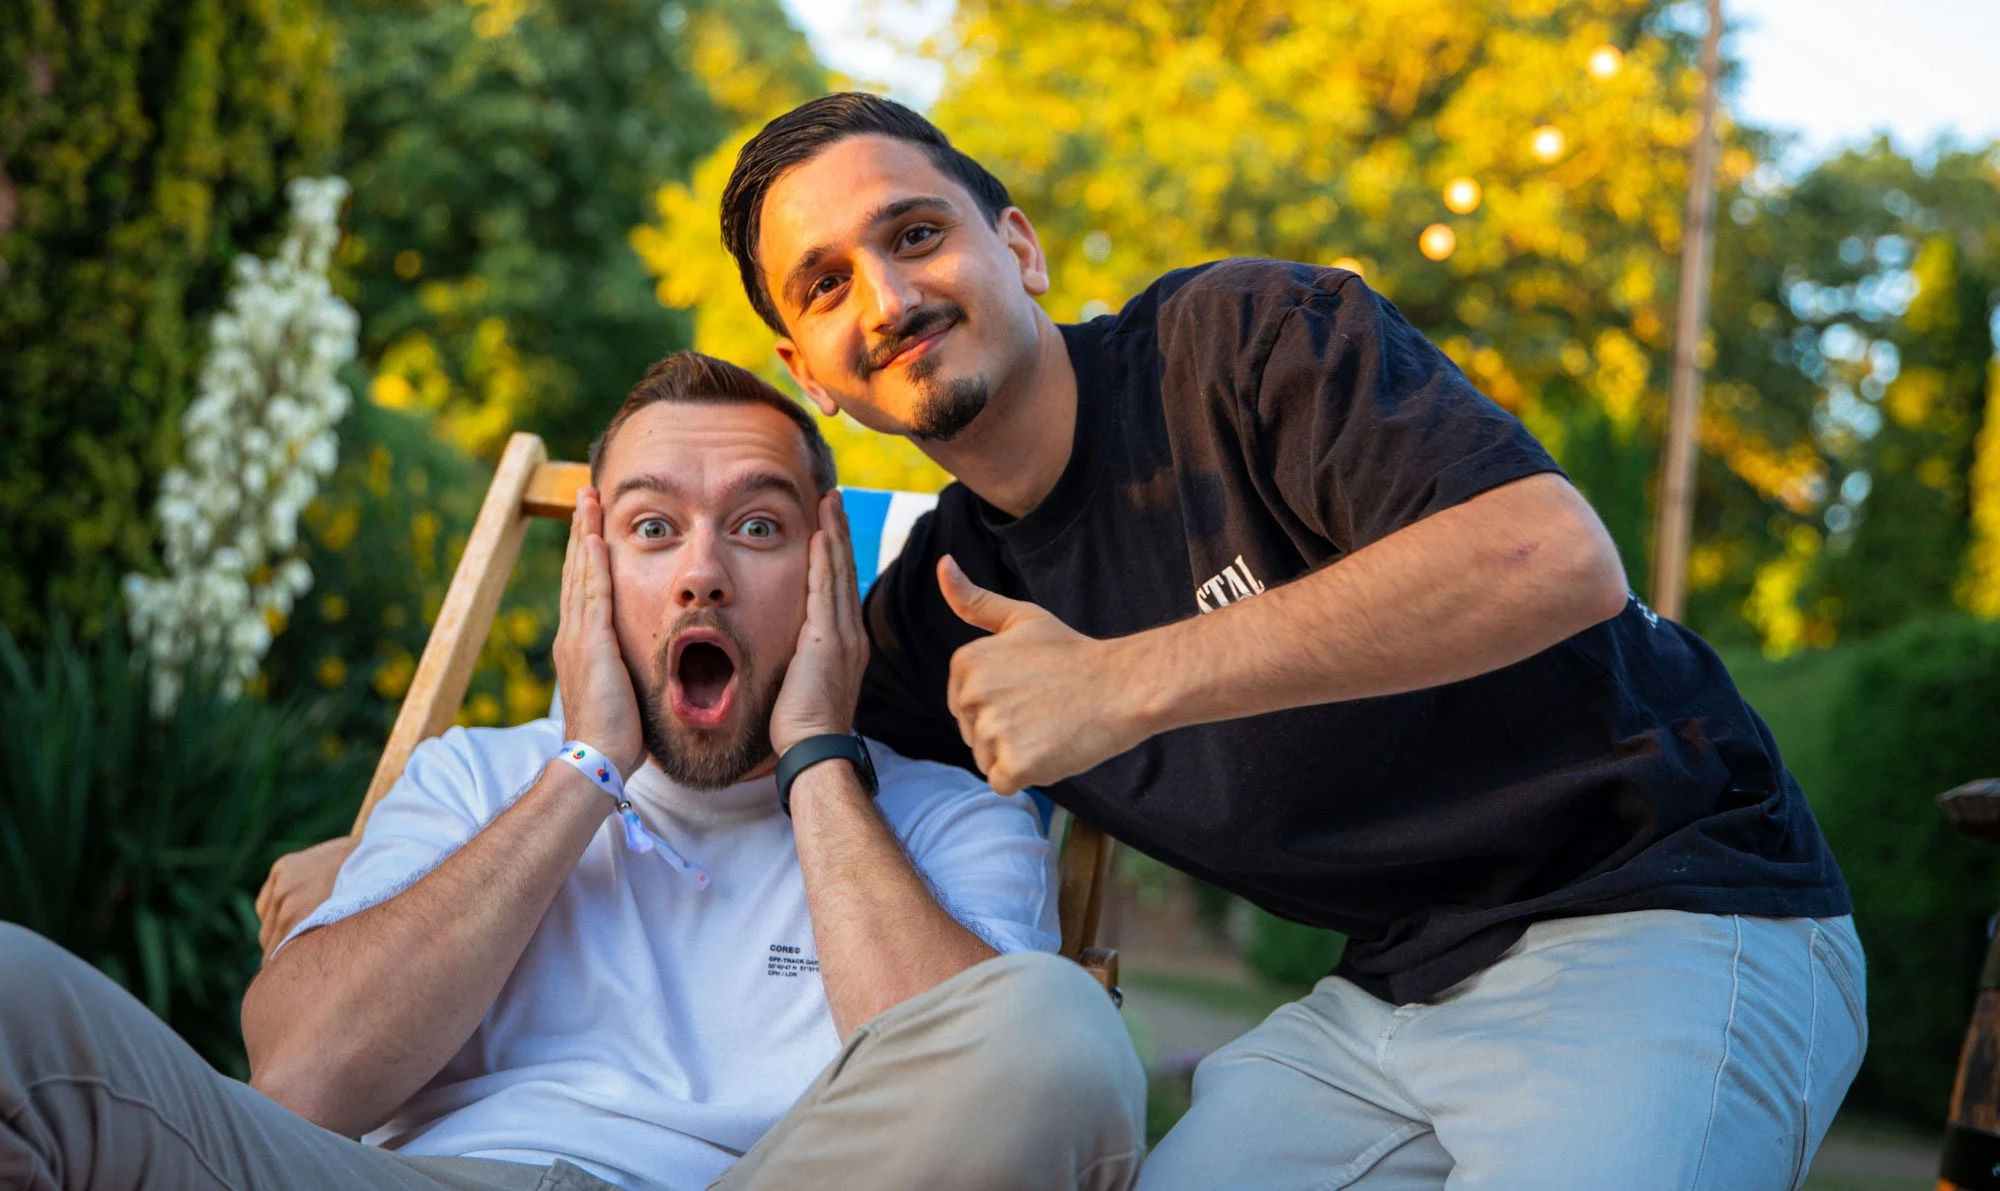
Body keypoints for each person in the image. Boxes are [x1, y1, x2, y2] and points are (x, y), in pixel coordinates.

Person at [718, 92, 1866, 1189]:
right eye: (825, 285)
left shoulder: (1237, 343)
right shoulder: (941, 605)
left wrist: (1120, 681)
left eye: (915, 234)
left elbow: (1551, 558)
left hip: (1667, 902)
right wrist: (773, 722)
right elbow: (726, 743)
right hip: (1386, 991)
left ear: (1019, 249)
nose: (887, 297)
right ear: (809, 374)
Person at [0, 352, 1145, 1191]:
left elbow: (1003, 1079)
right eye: (652, 529)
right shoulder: (471, 778)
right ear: (589, 572)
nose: (701, 573)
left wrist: (815, 759)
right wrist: (583, 768)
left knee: (1053, 1023)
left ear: (824, 568)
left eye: (756, 528)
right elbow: (300, 1080)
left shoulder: (949, 818)